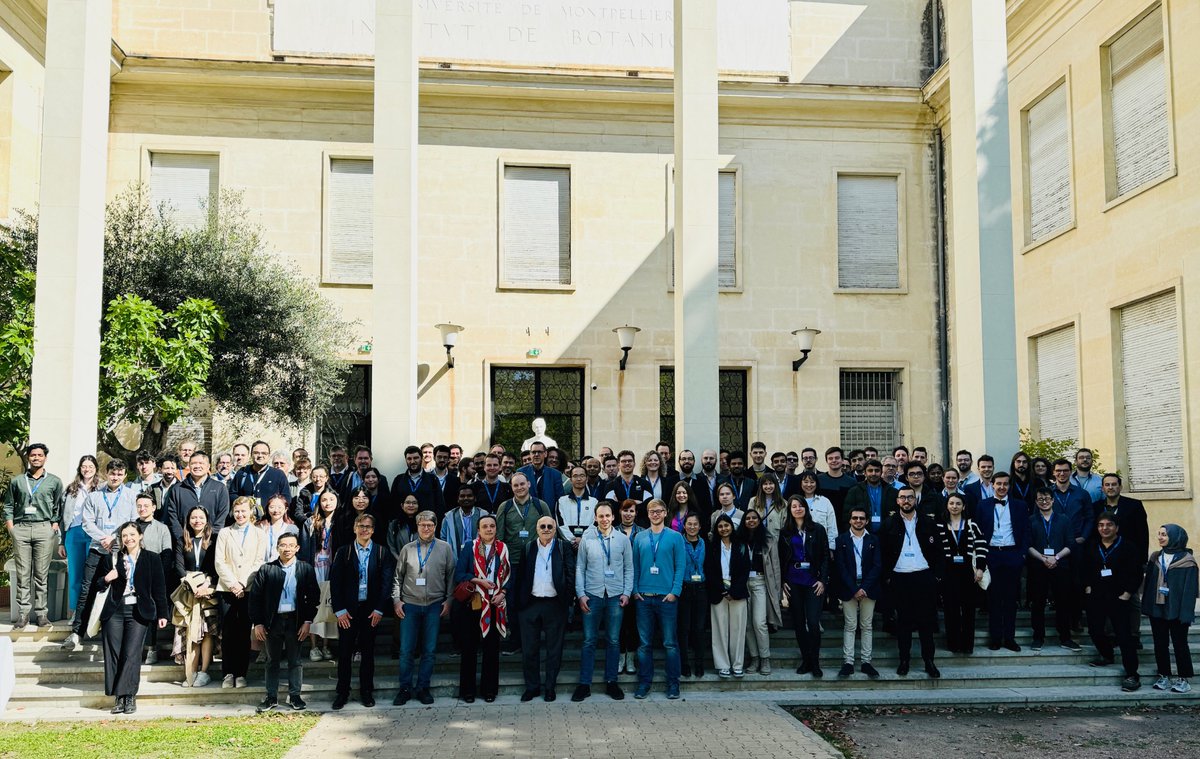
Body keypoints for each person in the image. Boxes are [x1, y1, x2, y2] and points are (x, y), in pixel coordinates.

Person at [64, 459, 138, 651]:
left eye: (120, 474)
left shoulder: (131, 496)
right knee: (87, 588)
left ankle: (118, 633)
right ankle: (77, 632)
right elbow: (87, 522)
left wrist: (115, 538)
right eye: (113, 473)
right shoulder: (94, 496)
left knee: (122, 588)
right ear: (106, 473)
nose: (116, 477)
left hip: (121, 550)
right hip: (97, 548)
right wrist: (103, 538)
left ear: (124, 476)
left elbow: (133, 521)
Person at [99, 521, 169, 714]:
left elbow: (159, 588)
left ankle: (129, 696)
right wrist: (107, 578)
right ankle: (118, 697)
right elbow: (96, 585)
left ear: (140, 536)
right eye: (124, 536)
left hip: (139, 610)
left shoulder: (152, 558)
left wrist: (163, 613)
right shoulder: (112, 558)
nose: (128, 539)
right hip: (114, 610)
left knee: (132, 653)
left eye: (132, 535)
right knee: (114, 653)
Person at [249, 532, 320, 712]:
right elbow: (255, 598)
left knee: (295, 660)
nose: (287, 549)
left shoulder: (305, 568)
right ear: (277, 547)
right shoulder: (267, 569)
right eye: (283, 545)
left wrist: (307, 621)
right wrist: (258, 623)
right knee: (272, 660)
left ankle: (295, 696)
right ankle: (271, 697)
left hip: (295, 621)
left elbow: (314, 597)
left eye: (291, 545)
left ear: (297, 548)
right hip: (273, 622)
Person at [391, 510, 457, 705]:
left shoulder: (445, 548)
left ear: (435, 527)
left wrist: (449, 600)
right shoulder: (407, 549)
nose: (426, 528)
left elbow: (451, 576)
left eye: (430, 525)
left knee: (429, 650)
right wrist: (396, 600)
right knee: (406, 650)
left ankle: (423, 688)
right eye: (422, 525)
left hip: (434, 605)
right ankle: (404, 688)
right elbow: (397, 577)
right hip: (410, 605)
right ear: (417, 526)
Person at [572, 501, 633, 702]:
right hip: (592, 595)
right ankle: (584, 684)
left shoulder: (622, 540)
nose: (604, 519)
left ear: (613, 517)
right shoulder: (587, 539)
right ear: (595, 518)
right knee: (589, 640)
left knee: (613, 640)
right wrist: (581, 594)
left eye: (608, 515)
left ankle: (611, 682)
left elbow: (629, 568)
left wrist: (627, 592)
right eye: (601, 516)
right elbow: (580, 567)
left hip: (615, 595)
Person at [880, 486, 944, 678]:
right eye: (903, 498)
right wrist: (887, 577)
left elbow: (939, 552)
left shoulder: (928, 522)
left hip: (923, 576)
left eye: (910, 497)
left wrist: (936, 576)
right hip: (900, 578)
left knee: (926, 623)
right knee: (903, 623)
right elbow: (883, 554)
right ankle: (904, 660)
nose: (906, 501)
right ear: (897, 501)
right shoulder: (888, 524)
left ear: (915, 500)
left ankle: (929, 661)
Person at [3, 443, 64, 630]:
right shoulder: (17, 481)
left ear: (45, 458)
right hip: (21, 528)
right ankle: (23, 614)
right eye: (33, 455)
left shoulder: (54, 481)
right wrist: (11, 528)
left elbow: (58, 506)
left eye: (40, 455)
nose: (36, 458)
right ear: (28, 457)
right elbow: (8, 505)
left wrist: (53, 525)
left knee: (41, 574)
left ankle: (41, 614)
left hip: (43, 528)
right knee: (22, 574)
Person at [631, 499, 686, 699]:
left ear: (665, 513)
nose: (655, 514)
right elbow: (635, 566)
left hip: (667, 598)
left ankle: (673, 684)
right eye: (651, 511)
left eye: (658, 511)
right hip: (643, 598)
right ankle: (644, 682)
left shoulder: (675, 537)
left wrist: (675, 592)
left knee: (670, 643)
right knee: (644, 644)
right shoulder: (639, 537)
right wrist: (635, 590)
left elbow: (680, 566)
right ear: (647, 514)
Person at [1082, 512, 1142, 692]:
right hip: (1097, 595)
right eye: (1101, 525)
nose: (1104, 528)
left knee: (1124, 636)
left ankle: (1132, 674)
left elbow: (1136, 572)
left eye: (1109, 525)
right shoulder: (1092, 546)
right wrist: (1087, 586)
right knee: (1095, 630)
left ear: (1116, 528)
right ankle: (1107, 655)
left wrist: (1127, 593)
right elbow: (1084, 568)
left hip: (1119, 596)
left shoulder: (1128, 547)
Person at [453, 514, 510, 703]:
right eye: (485, 526)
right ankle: (468, 691)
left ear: (496, 528)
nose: (489, 529)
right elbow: (459, 574)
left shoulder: (502, 548)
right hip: (474, 603)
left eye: (492, 526)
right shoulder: (470, 547)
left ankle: (489, 690)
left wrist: (503, 592)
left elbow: (509, 575)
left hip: (494, 603)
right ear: (478, 530)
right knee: (469, 648)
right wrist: (479, 581)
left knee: (491, 649)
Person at [519, 514, 575, 702]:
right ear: (536, 529)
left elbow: (570, 574)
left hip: (555, 604)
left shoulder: (563, 547)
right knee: (529, 649)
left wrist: (566, 600)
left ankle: (550, 687)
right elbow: (521, 575)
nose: (546, 530)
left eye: (550, 526)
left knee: (554, 650)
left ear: (555, 529)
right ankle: (532, 687)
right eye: (542, 526)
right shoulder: (528, 547)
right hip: (531, 604)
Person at [214, 497, 268, 688]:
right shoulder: (225, 532)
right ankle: (228, 673)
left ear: (251, 512)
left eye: (244, 511)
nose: (240, 514)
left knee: (244, 632)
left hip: (248, 588)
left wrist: (243, 583)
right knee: (228, 631)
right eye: (237, 511)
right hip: (227, 589)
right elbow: (219, 561)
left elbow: (259, 561)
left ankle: (241, 673)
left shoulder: (259, 533)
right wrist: (233, 584)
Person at [494, 472, 550, 654]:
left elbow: (550, 530)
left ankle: (532, 640)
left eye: (522, 484)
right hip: (512, 562)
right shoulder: (505, 507)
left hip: (536, 562)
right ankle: (516, 640)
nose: (519, 488)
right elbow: (499, 536)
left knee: (534, 601)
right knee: (513, 602)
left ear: (529, 484)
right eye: (515, 485)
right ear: (511, 487)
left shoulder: (540, 505)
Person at [976, 472, 1031, 651]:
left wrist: (1022, 555)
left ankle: (1009, 638)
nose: (1002, 487)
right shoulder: (982, 505)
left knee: (1010, 599)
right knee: (993, 599)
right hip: (991, 554)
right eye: (998, 484)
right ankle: (995, 638)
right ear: (992, 485)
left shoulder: (1020, 505)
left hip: (1012, 555)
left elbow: (1026, 531)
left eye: (1005, 484)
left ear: (1009, 486)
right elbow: (977, 532)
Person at [1092, 473, 1149, 638]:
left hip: (1129, 559)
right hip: (1105, 558)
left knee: (1132, 599)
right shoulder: (1096, 507)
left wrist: (1142, 561)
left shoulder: (1134, 505)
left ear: (1120, 487)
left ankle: (1133, 634)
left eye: (1114, 484)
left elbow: (1142, 534)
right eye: (1107, 485)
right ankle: (1111, 634)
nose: (1110, 487)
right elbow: (1093, 535)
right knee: (1107, 598)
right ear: (1102, 488)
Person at [1142, 524, 1197, 694]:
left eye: (1164, 534)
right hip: (1157, 608)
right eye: (1159, 534)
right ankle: (1164, 675)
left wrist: (1186, 613)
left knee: (1180, 644)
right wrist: (1147, 606)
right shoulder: (1155, 557)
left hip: (1177, 610)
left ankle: (1184, 678)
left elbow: (1191, 590)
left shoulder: (1187, 561)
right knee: (1160, 644)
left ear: (1175, 537)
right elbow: (1148, 583)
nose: (1160, 537)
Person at [779, 495, 829, 677]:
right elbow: (780, 558)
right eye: (794, 506)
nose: (798, 509)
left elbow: (825, 556)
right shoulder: (785, 532)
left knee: (813, 623)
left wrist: (823, 580)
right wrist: (783, 581)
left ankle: (815, 662)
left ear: (806, 508)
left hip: (813, 581)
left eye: (801, 506)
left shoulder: (818, 529)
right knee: (799, 623)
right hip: (793, 581)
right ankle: (806, 660)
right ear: (790, 510)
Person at [1027, 487, 1080, 652]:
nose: (1044, 502)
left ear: (1053, 500)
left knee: (1063, 602)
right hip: (1038, 566)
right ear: (1036, 502)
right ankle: (1038, 637)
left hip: (1060, 565)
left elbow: (1071, 543)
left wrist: (1056, 557)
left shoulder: (1064, 520)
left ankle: (1065, 637)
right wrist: (1043, 559)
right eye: (1040, 499)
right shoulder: (1030, 520)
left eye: (1047, 498)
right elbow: (1027, 544)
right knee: (1038, 603)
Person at [834, 506, 882, 679]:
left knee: (867, 626)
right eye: (855, 518)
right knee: (850, 625)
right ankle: (848, 662)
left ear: (867, 521)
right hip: (849, 588)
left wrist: (864, 588)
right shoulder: (841, 540)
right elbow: (840, 567)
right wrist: (854, 589)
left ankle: (866, 662)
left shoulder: (874, 540)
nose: (858, 521)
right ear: (850, 520)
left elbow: (877, 566)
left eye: (862, 518)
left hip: (868, 588)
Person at [174, 505, 219, 688]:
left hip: (208, 590)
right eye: (193, 517)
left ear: (207, 520)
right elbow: (178, 566)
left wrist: (207, 583)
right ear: (188, 520)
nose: (197, 521)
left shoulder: (214, 539)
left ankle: (204, 672)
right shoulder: (182, 540)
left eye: (201, 517)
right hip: (188, 590)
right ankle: (190, 673)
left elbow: (217, 564)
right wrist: (192, 584)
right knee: (191, 632)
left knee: (206, 632)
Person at [937, 493, 987, 654]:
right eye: (951, 503)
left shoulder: (972, 524)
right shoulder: (940, 525)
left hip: (968, 573)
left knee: (968, 610)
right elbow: (936, 551)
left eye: (958, 503)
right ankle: (953, 644)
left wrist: (980, 568)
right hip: (948, 573)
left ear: (964, 506)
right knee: (950, 610)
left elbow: (981, 546)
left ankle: (967, 645)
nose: (954, 506)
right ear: (947, 506)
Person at [736, 507, 781, 676]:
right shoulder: (738, 539)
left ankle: (765, 658)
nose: (751, 520)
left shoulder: (768, 539)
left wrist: (777, 591)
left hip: (760, 582)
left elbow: (775, 565)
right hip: (743, 583)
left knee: (759, 622)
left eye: (754, 518)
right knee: (747, 624)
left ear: (759, 520)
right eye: (748, 518)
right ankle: (754, 658)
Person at [706, 513, 749, 678]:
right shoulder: (712, 547)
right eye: (720, 526)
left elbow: (745, 570)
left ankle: (737, 665)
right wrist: (723, 590)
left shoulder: (741, 545)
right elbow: (709, 571)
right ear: (716, 529)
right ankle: (723, 665)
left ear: (732, 526)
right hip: (718, 592)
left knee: (738, 630)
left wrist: (733, 591)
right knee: (720, 630)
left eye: (726, 525)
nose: (724, 529)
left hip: (738, 592)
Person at [133, 491, 174, 664]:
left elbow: (167, 553)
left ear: (154, 507)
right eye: (139, 506)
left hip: (153, 575)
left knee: (150, 612)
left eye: (146, 506)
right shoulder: (131, 526)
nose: (142, 509)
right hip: (132, 575)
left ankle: (151, 648)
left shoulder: (162, 528)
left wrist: (159, 576)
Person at [299, 488, 339, 662]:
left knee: (329, 606)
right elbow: (304, 548)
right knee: (314, 606)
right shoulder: (311, 522)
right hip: (315, 568)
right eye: (324, 500)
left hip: (333, 569)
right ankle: (314, 646)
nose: (327, 503)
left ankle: (326, 645)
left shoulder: (341, 522)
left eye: (331, 499)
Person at [60, 455, 99, 623]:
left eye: (90, 466)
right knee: (75, 574)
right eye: (84, 466)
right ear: (80, 468)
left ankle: (91, 612)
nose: (87, 469)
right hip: (74, 532)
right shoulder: (71, 489)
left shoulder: (101, 488)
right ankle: (76, 612)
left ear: (95, 469)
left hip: (93, 533)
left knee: (93, 575)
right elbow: (62, 516)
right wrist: (61, 541)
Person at [164, 452, 230, 547]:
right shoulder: (177, 489)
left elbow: (223, 515)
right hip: (184, 544)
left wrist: (211, 537)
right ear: (189, 465)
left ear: (208, 466)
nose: (197, 466)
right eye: (194, 463)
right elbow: (172, 517)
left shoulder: (220, 488)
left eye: (201, 463)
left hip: (211, 543)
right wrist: (182, 538)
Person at [614, 498, 644, 672]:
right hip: (617, 583)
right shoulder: (613, 531)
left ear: (636, 513)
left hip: (637, 584)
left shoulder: (643, 533)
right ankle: (620, 658)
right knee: (619, 624)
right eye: (625, 510)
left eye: (631, 511)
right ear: (620, 512)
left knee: (633, 624)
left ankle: (631, 659)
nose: (628, 514)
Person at [677, 513, 707, 678]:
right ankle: (685, 663)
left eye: (695, 524)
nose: (692, 527)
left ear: (700, 526)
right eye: (689, 524)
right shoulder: (678, 542)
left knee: (700, 628)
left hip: (701, 588)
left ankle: (699, 663)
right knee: (684, 628)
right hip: (684, 588)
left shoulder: (705, 543)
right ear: (684, 525)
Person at [230, 441, 292, 518]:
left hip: (270, 520)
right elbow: (232, 494)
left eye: (264, 453)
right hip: (246, 519)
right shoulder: (242, 472)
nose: (260, 456)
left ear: (268, 456)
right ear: (251, 455)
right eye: (256, 453)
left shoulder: (278, 474)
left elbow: (286, 499)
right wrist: (243, 501)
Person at [843, 459, 897, 534]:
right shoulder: (855, 491)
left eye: (877, 471)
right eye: (870, 471)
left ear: (881, 472)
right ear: (865, 473)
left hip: (887, 534)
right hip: (862, 535)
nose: (873, 473)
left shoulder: (892, 492)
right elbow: (847, 515)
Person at [798, 471, 839, 552]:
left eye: (812, 482)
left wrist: (831, 548)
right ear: (801, 483)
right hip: (800, 545)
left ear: (816, 484)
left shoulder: (825, 502)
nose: (809, 485)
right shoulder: (796, 501)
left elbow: (832, 527)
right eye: (806, 482)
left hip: (821, 546)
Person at [519, 441, 567, 508]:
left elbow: (560, 499)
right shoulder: (521, 472)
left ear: (545, 454)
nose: (536, 454)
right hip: (527, 512)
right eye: (534, 452)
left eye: (539, 452)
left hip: (548, 513)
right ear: (530, 454)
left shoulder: (555, 474)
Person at [557, 465, 597, 545]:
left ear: (586, 479)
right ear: (571, 480)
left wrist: (583, 540)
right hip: (567, 544)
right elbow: (560, 524)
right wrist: (572, 540)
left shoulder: (594, 502)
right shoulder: (562, 501)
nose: (579, 479)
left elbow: (595, 523)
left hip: (588, 543)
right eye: (575, 476)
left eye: (582, 476)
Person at [441, 485, 484, 554]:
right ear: (458, 499)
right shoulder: (449, 517)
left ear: (475, 498)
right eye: (462, 496)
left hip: (478, 554)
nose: (466, 498)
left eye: (469, 496)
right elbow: (443, 538)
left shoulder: (483, 515)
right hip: (455, 555)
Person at [258, 493, 300, 564]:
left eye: (279, 507)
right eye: (272, 507)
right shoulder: (260, 528)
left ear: (286, 509)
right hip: (263, 566)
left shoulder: (292, 529)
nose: (276, 510)